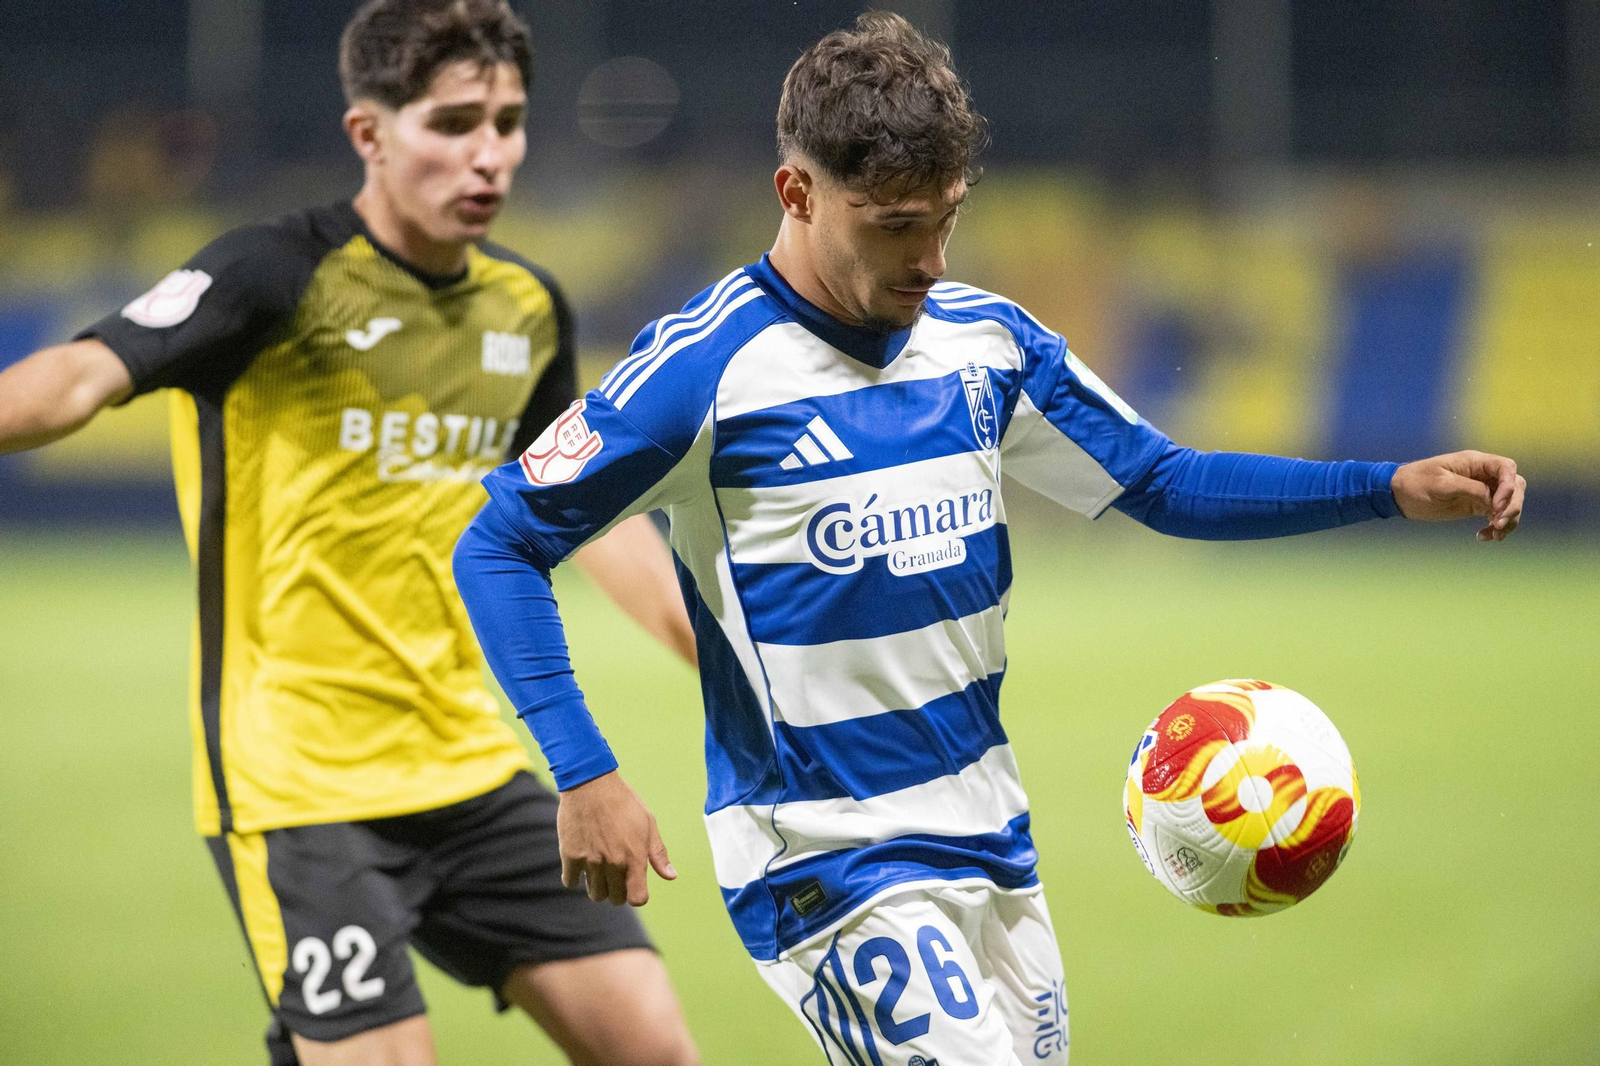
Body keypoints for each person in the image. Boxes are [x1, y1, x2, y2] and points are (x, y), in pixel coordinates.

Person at [450, 12, 1527, 1066]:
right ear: (798, 193)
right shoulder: (704, 371)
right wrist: (584, 773)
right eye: (893, 225)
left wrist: (1385, 488)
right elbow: (499, 543)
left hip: (990, 835)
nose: (928, 259)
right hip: (826, 854)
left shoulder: (985, 343)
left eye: (946, 219)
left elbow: (1161, 480)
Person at [0, 2, 702, 1064]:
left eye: (507, 123)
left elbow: (583, 516)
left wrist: (719, 653)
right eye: (453, 123)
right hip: (299, 787)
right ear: (368, 133)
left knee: (656, 1049)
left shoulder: (528, 310)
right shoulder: (271, 273)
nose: (489, 154)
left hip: (467, 766)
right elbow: (76, 378)